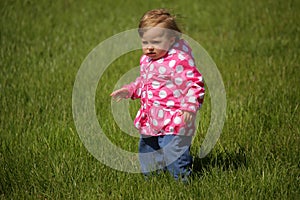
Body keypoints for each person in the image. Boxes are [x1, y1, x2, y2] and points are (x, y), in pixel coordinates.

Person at [110, 8, 205, 181]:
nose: (149, 47)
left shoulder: (179, 59)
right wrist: (130, 89)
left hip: (175, 120)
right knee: (148, 152)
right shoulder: (147, 60)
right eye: (145, 42)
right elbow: (145, 82)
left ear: (171, 39)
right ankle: (153, 180)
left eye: (155, 41)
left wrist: (190, 106)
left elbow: (193, 83)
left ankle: (182, 182)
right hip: (152, 120)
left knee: (174, 154)